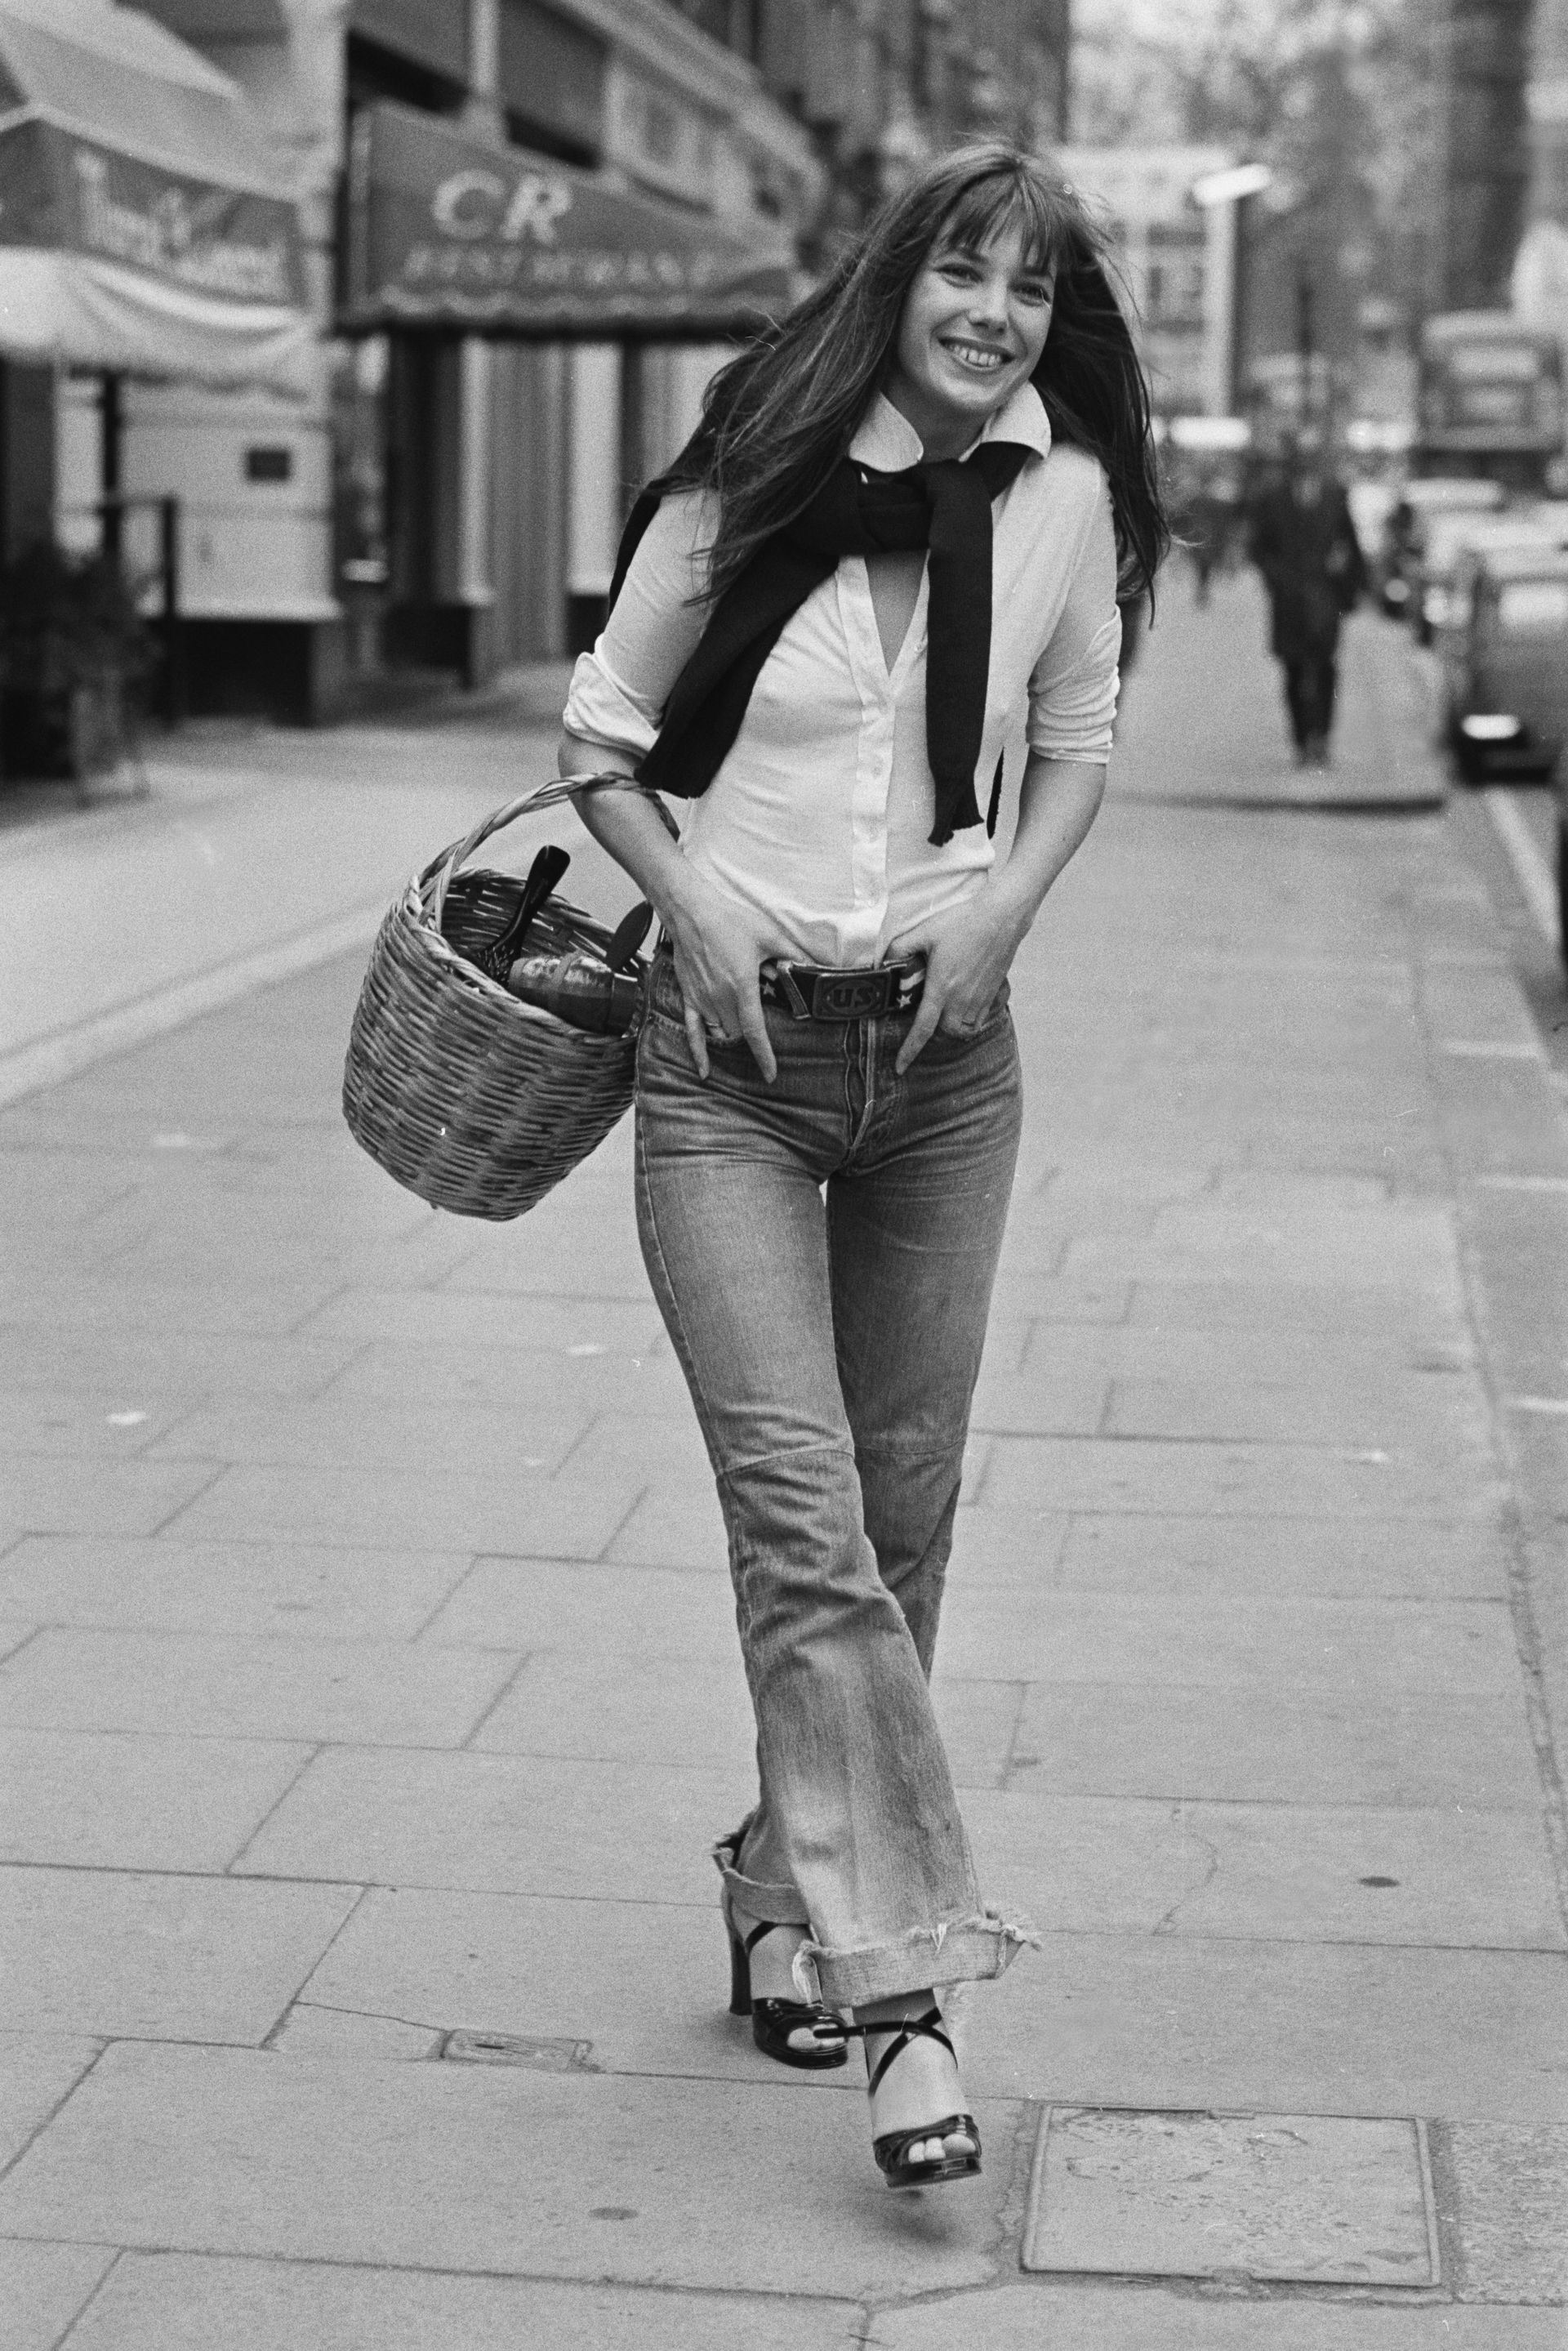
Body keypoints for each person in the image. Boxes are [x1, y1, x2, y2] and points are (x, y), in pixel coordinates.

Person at [556, 142, 1165, 2194]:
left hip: (944, 1062)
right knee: (805, 1522)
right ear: (899, 280)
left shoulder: (1063, 504)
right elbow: (601, 729)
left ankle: (766, 1869)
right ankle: (904, 2004)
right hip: (725, 1065)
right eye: (962, 274)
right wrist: (693, 911)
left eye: (1026, 287)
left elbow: (1076, 740)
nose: (990, 312)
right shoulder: (754, 470)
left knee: (898, 1527)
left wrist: (1002, 921)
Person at [1246, 435, 1367, 766]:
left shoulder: (1335, 495)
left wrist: (1348, 589)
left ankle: (1322, 739)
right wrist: (1278, 579)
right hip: (1288, 601)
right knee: (1293, 670)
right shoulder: (1272, 498)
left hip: (1325, 599)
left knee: (1326, 668)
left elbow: (1351, 546)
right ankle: (1301, 740)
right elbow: (1258, 549)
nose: (1306, 464)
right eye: (1301, 457)